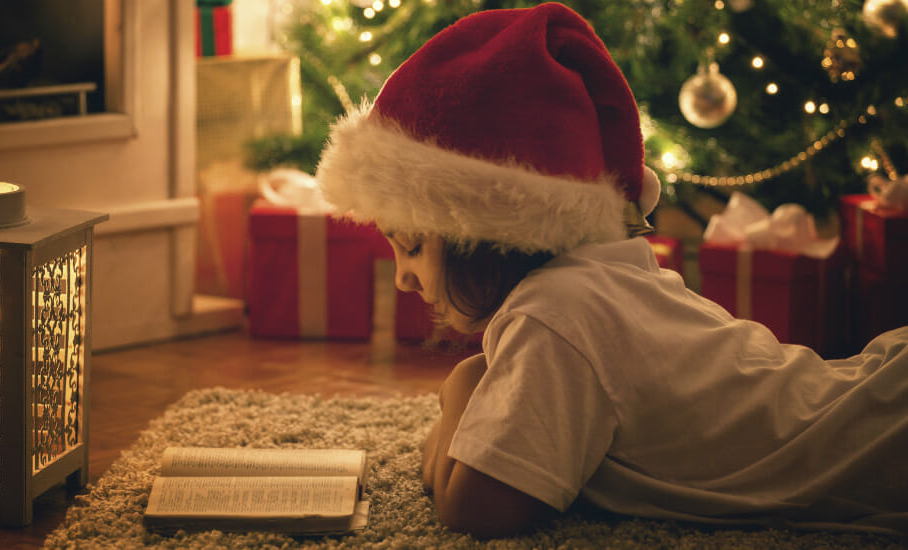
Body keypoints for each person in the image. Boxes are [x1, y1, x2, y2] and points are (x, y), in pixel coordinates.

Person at [315, 2, 908, 540]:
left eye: (413, 246)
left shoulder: (555, 317)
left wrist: (465, 389)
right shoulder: (607, 277)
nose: (403, 278)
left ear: (488, 233)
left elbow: (477, 510)